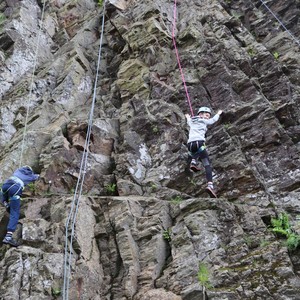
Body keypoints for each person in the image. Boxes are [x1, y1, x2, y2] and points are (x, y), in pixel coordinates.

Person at [185, 107, 222, 198]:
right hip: (199, 144)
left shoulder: (192, 121)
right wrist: (219, 113)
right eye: (206, 115)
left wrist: (187, 117)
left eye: (208, 116)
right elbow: (212, 121)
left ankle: (193, 161)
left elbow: (189, 121)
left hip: (190, 145)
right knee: (207, 165)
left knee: (195, 154)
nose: (207, 117)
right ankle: (210, 185)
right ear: (200, 114)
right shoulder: (203, 120)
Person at [0, 166, 39, 247]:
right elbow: (37, 177)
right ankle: (8, 237)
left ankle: (6, 205)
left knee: (4, 199)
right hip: (15, 188)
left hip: (5, 186)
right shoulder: (30, 175)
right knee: (15, 212)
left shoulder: (17, 171)